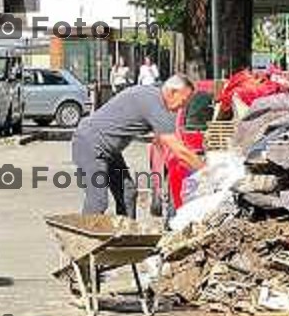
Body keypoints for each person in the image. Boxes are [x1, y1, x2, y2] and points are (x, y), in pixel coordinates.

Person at [72, 74, 205, 218]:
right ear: (172, 92)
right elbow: (180, 152)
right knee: (97, 201)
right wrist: (208, 172)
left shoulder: (156, 99)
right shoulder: (156, 104)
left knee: (128, 193)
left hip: (108, 149)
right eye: (184, 101)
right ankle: (84, 239)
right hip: (90, 144)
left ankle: (125, 236)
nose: (183, 107)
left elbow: (171, 145)